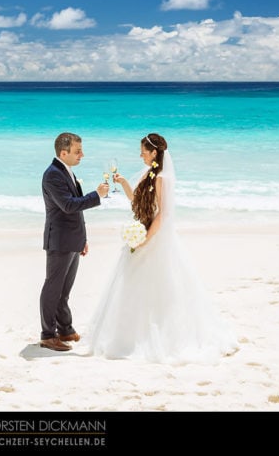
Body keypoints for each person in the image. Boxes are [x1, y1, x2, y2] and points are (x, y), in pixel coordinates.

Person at [85, 133, 238, 363]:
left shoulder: (161, 178)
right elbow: (137, 200)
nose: (140, 155)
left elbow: (163, 215)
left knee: (158, 287)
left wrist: (145, 239)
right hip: (145, 234)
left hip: (155, 239)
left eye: (143, 151)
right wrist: (124, 183)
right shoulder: (148, 173)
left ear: (154, 152)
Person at [40, 132, 109, 351]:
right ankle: (48, 334)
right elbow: (69, 205)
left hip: (72, 239)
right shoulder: (52, 175)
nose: (82, 155)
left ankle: (66, 330)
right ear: (64, 152)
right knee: (53, 288)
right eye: (78, 151)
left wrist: (83, 238)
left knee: (65, 290)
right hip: (59, 240)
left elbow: (75, 211)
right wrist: (96, 195)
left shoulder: (66, 171)